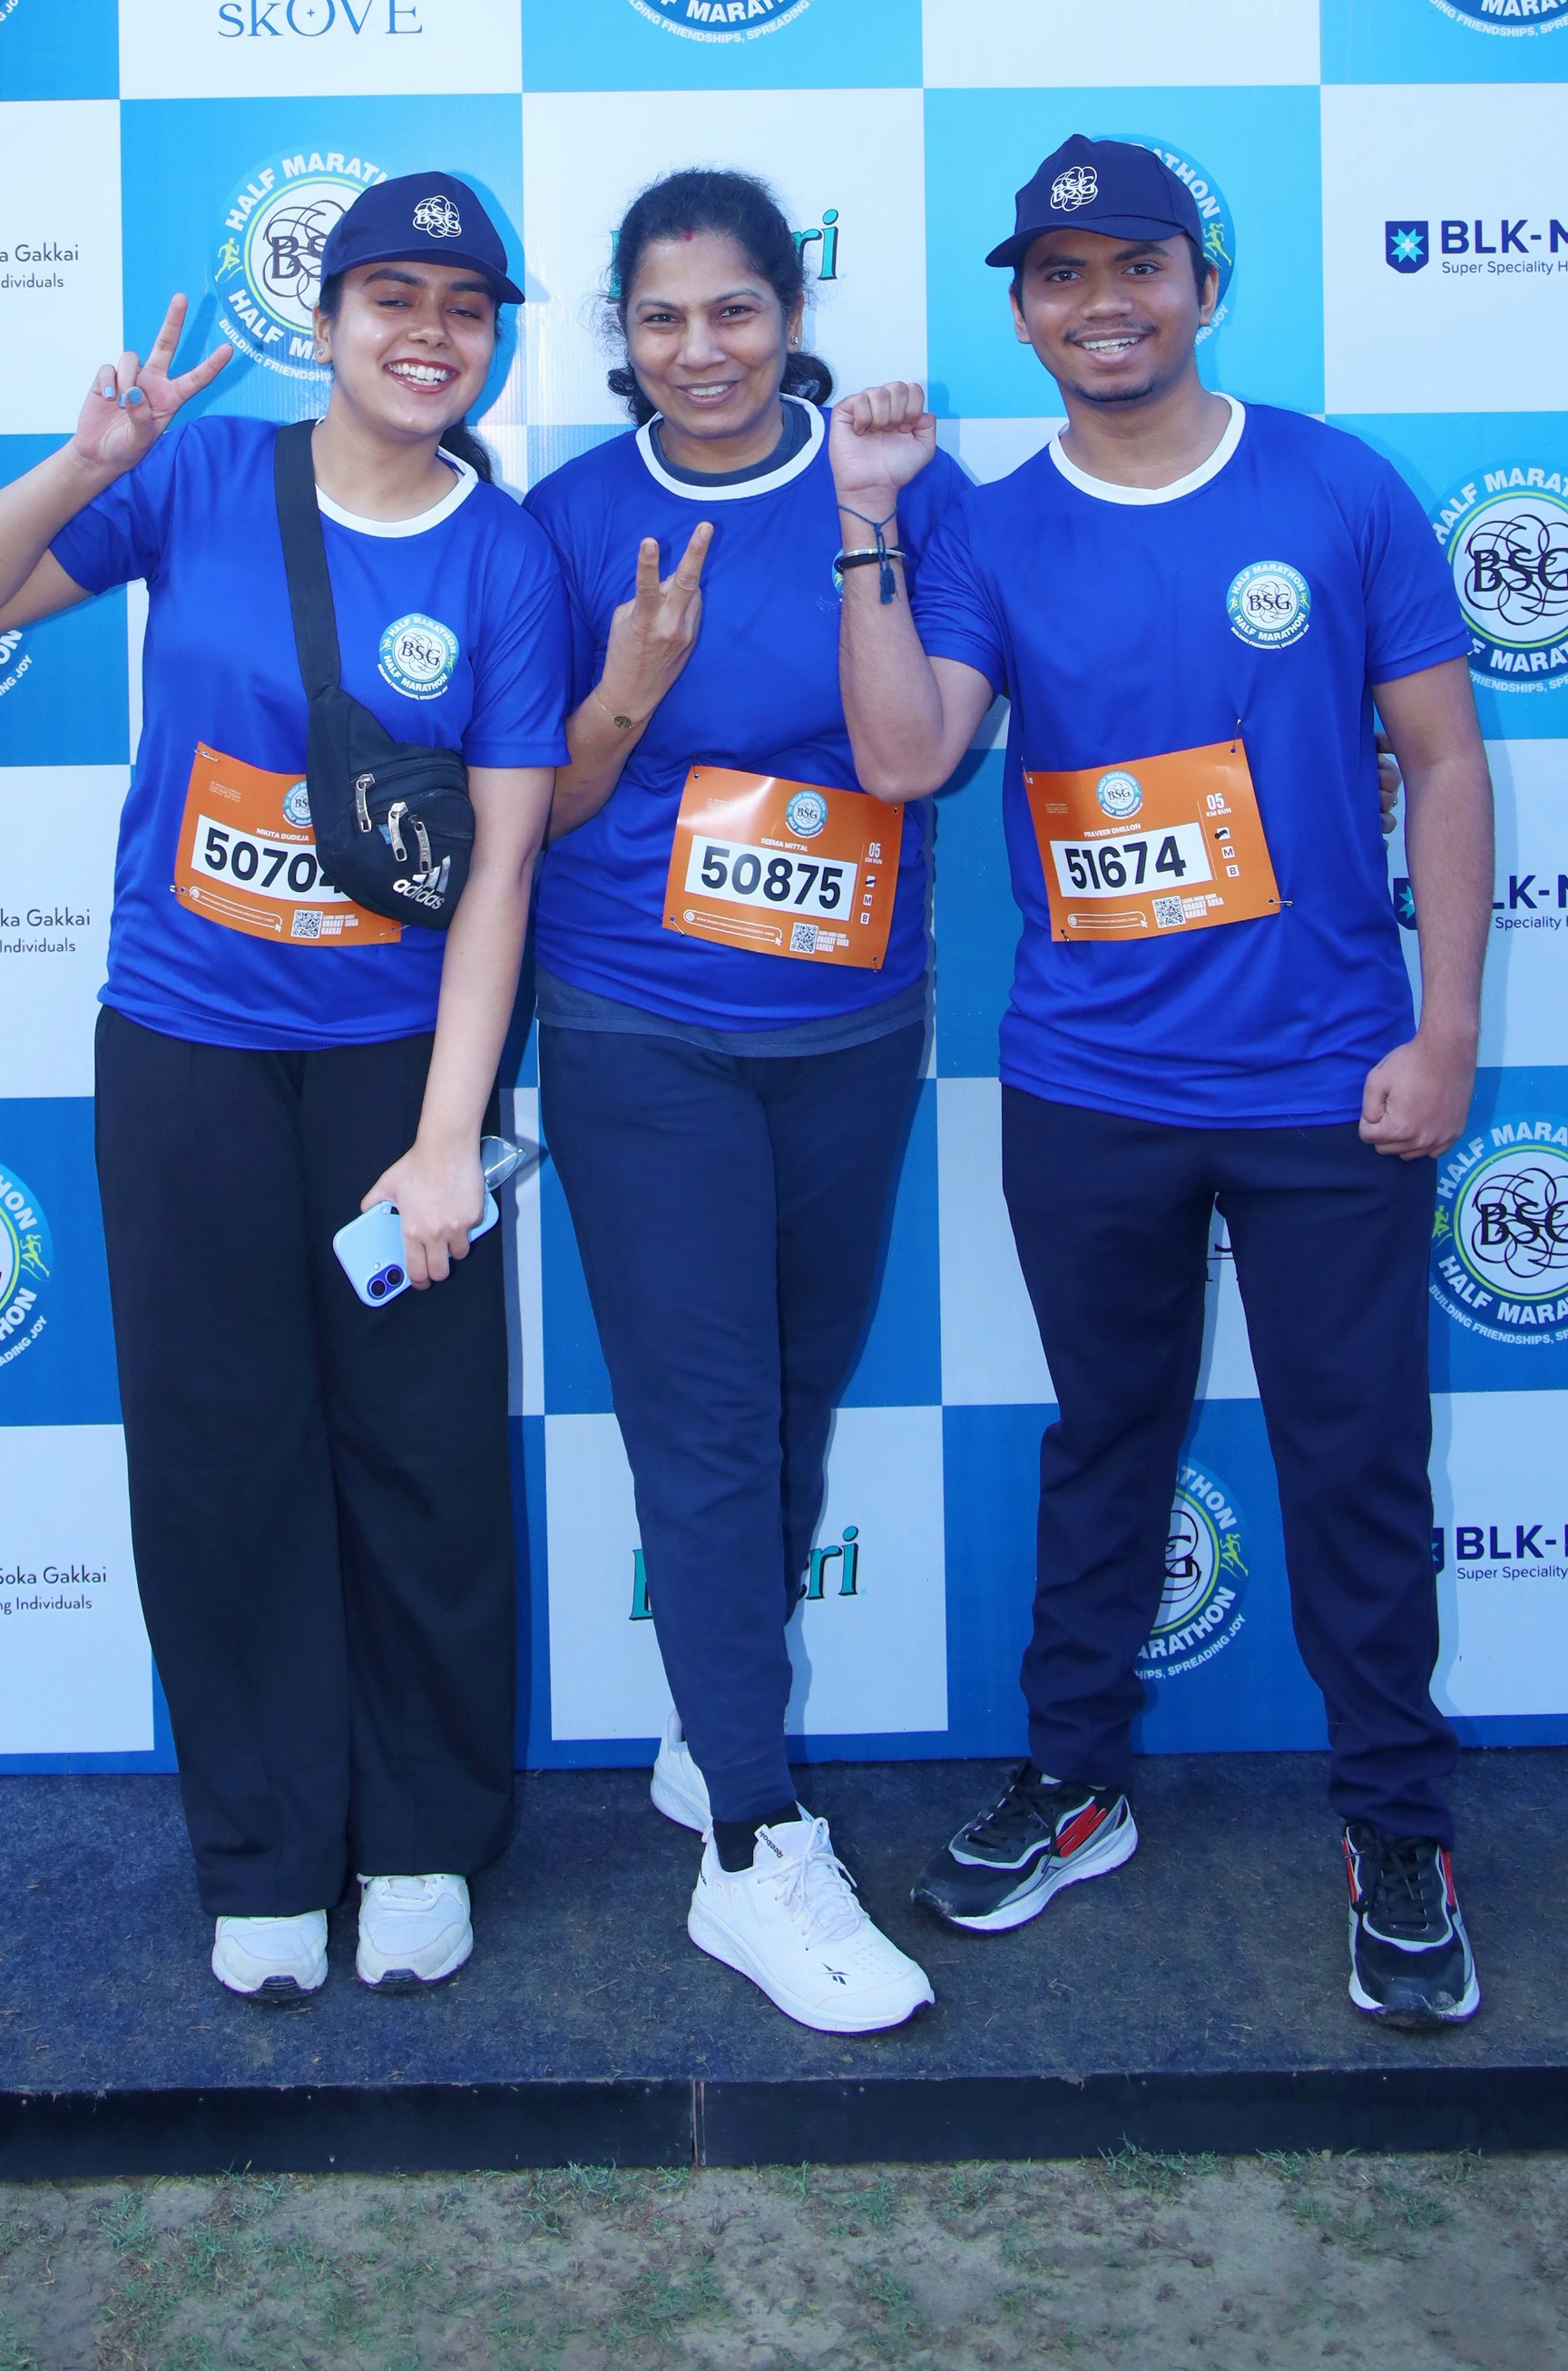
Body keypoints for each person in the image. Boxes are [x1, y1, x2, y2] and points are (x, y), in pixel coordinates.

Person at [830, 132, 1495, 2028]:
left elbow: (1443, 763)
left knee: (1354, 1459)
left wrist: (1443, 1029)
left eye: (1138, 266)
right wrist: (870, 520)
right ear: (1023, 313)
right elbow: (904, 761)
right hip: (1090, 1081)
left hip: (1324, 1082)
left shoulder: (1335, 486)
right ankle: (1076, 1780)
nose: (1100, 303)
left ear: (1204, 286)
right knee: (1103, 1442)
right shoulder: (982, 525)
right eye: (1059, 275)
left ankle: (1395, 1826)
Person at [0, 178, 568, 2006]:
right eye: (390, 296)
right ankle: (266, 1852)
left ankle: (421, 1837)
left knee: (421, 1453)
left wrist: (448, 1137)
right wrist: (87, 457)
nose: (427, 332)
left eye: (464, 305)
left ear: (493, 340)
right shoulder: (198, 479)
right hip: (184, 1047)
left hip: (391, 1070)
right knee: (219, 1451)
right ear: (325, 319)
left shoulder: (503, 559)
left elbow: (503, 869)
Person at [524, 168, 946, 2034]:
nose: (698, 350)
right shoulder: (565, 522)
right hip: (642, 1026)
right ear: (620, 336)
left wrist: (866, 529)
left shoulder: (897, 492)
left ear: (792, 314)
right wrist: (629, 689)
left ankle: (716, 1732)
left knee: (788, 1397)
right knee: (702, 1425)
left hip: (851, 1026)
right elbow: (531, 806)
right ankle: (754, 1852)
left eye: (734, 311)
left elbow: (928, 746)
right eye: (660, 317)